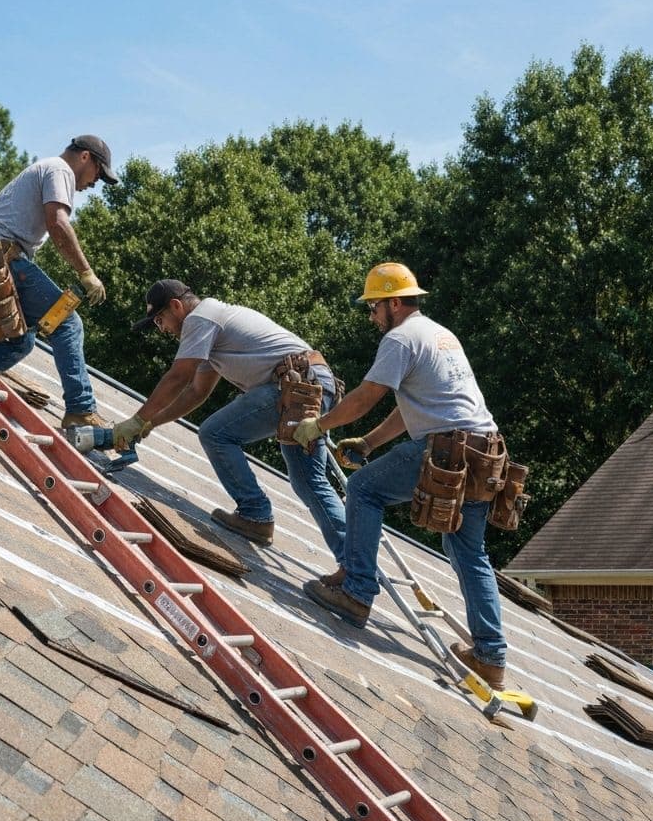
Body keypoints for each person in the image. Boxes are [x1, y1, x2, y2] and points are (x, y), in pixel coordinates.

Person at [292, 263, 509, 690]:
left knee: (363, 488)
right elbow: (408, 406)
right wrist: (371, 444)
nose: (372, 316)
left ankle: (356, 592)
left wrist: (319, 426)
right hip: (487, 452)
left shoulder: (400, 338)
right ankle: (491, 655)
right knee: (468, 549)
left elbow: (366, 397)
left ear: (394, 303)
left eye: (374, 307)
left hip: (448, 448)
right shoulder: (440, 334)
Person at [112, 280, 346, 564]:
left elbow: (178, 377)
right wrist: (151, 423)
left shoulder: (199, 319)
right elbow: (197, 391)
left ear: (176, 305)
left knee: (215, 434)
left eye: (160, 319)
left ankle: (255, 513)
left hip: (295, 386)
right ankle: (355, 573)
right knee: (310, 480)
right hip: (313, 386)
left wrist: (136, 419)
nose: (162, 329)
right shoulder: (212, 328)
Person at [0, 136, 118, 427]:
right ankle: (80, 410)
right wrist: (87, 273)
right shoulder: (60, 169)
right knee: (68, 323)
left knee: (20, 343)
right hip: (2, 257)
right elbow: (58, 223)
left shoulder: (47, 169)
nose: (96, 181)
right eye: (99, 172)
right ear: (85, 157)